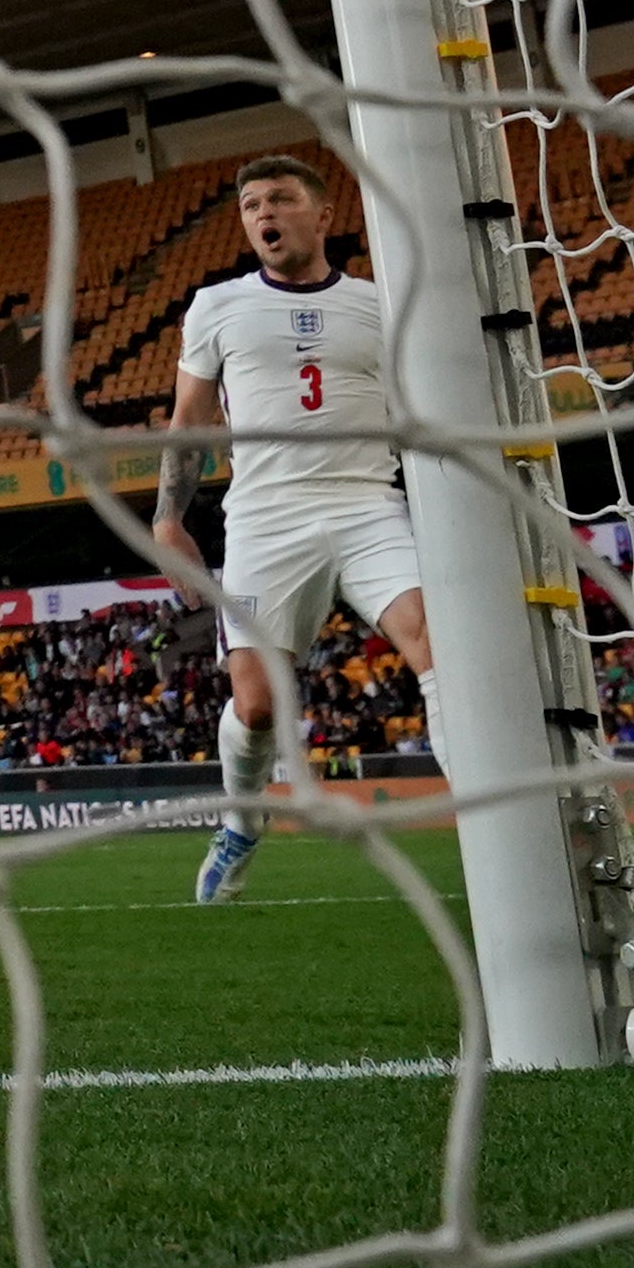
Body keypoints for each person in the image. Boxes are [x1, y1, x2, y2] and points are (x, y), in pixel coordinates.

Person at [168, 152, 435, 905]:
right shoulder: (215, 305)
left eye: (280, 199)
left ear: (323, 216)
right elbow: (189, 422)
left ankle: (487, 819)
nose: (264, 214)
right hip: (264, 514)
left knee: (432, 641)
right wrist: (167, 515)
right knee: (256, 707)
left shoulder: (381, 304)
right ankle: (241, 821)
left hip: (366, 501)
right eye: (252, 204)